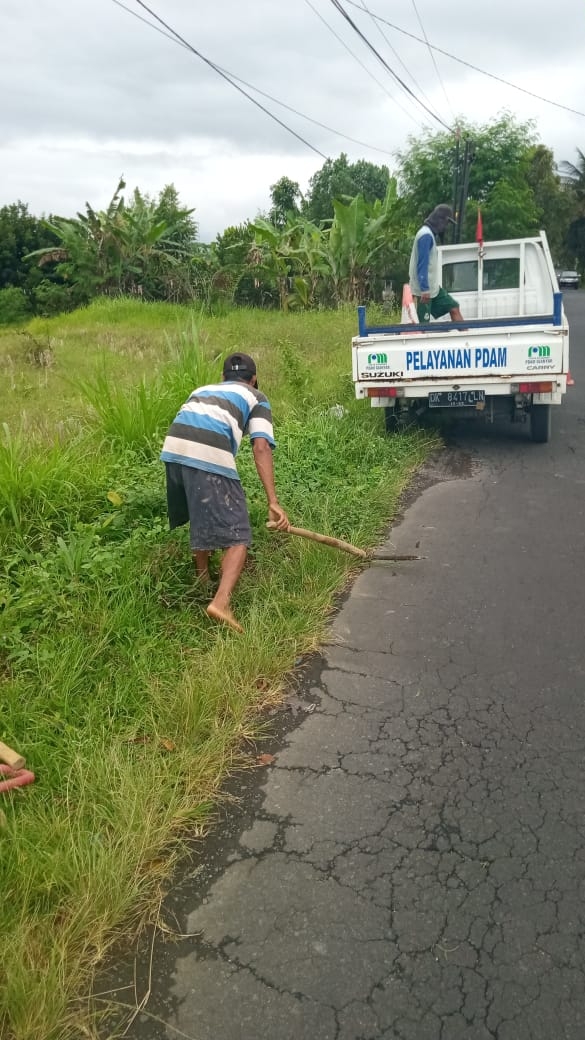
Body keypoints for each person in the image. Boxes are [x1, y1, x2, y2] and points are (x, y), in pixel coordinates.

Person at [160, 352, 290, 634]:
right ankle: (221, 602)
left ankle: (203, 579)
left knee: (200, 511)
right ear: (253, 379)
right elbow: (261, 447)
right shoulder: (257, 396)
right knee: (239, 533)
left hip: (173, 447)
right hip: (207, 451)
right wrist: (273, 502)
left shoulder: (202, 389)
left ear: (223, 377)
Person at [409, 204, 465, 325]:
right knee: (423, 325)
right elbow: (422, 265)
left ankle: (467, 342)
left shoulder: (429, 235)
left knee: (454, 307)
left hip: (433, 289)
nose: (445, 228)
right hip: (423, 291)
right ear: (440, 220)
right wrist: (424, 289)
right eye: (446, 224)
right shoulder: (425, 236)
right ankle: (422, 343)